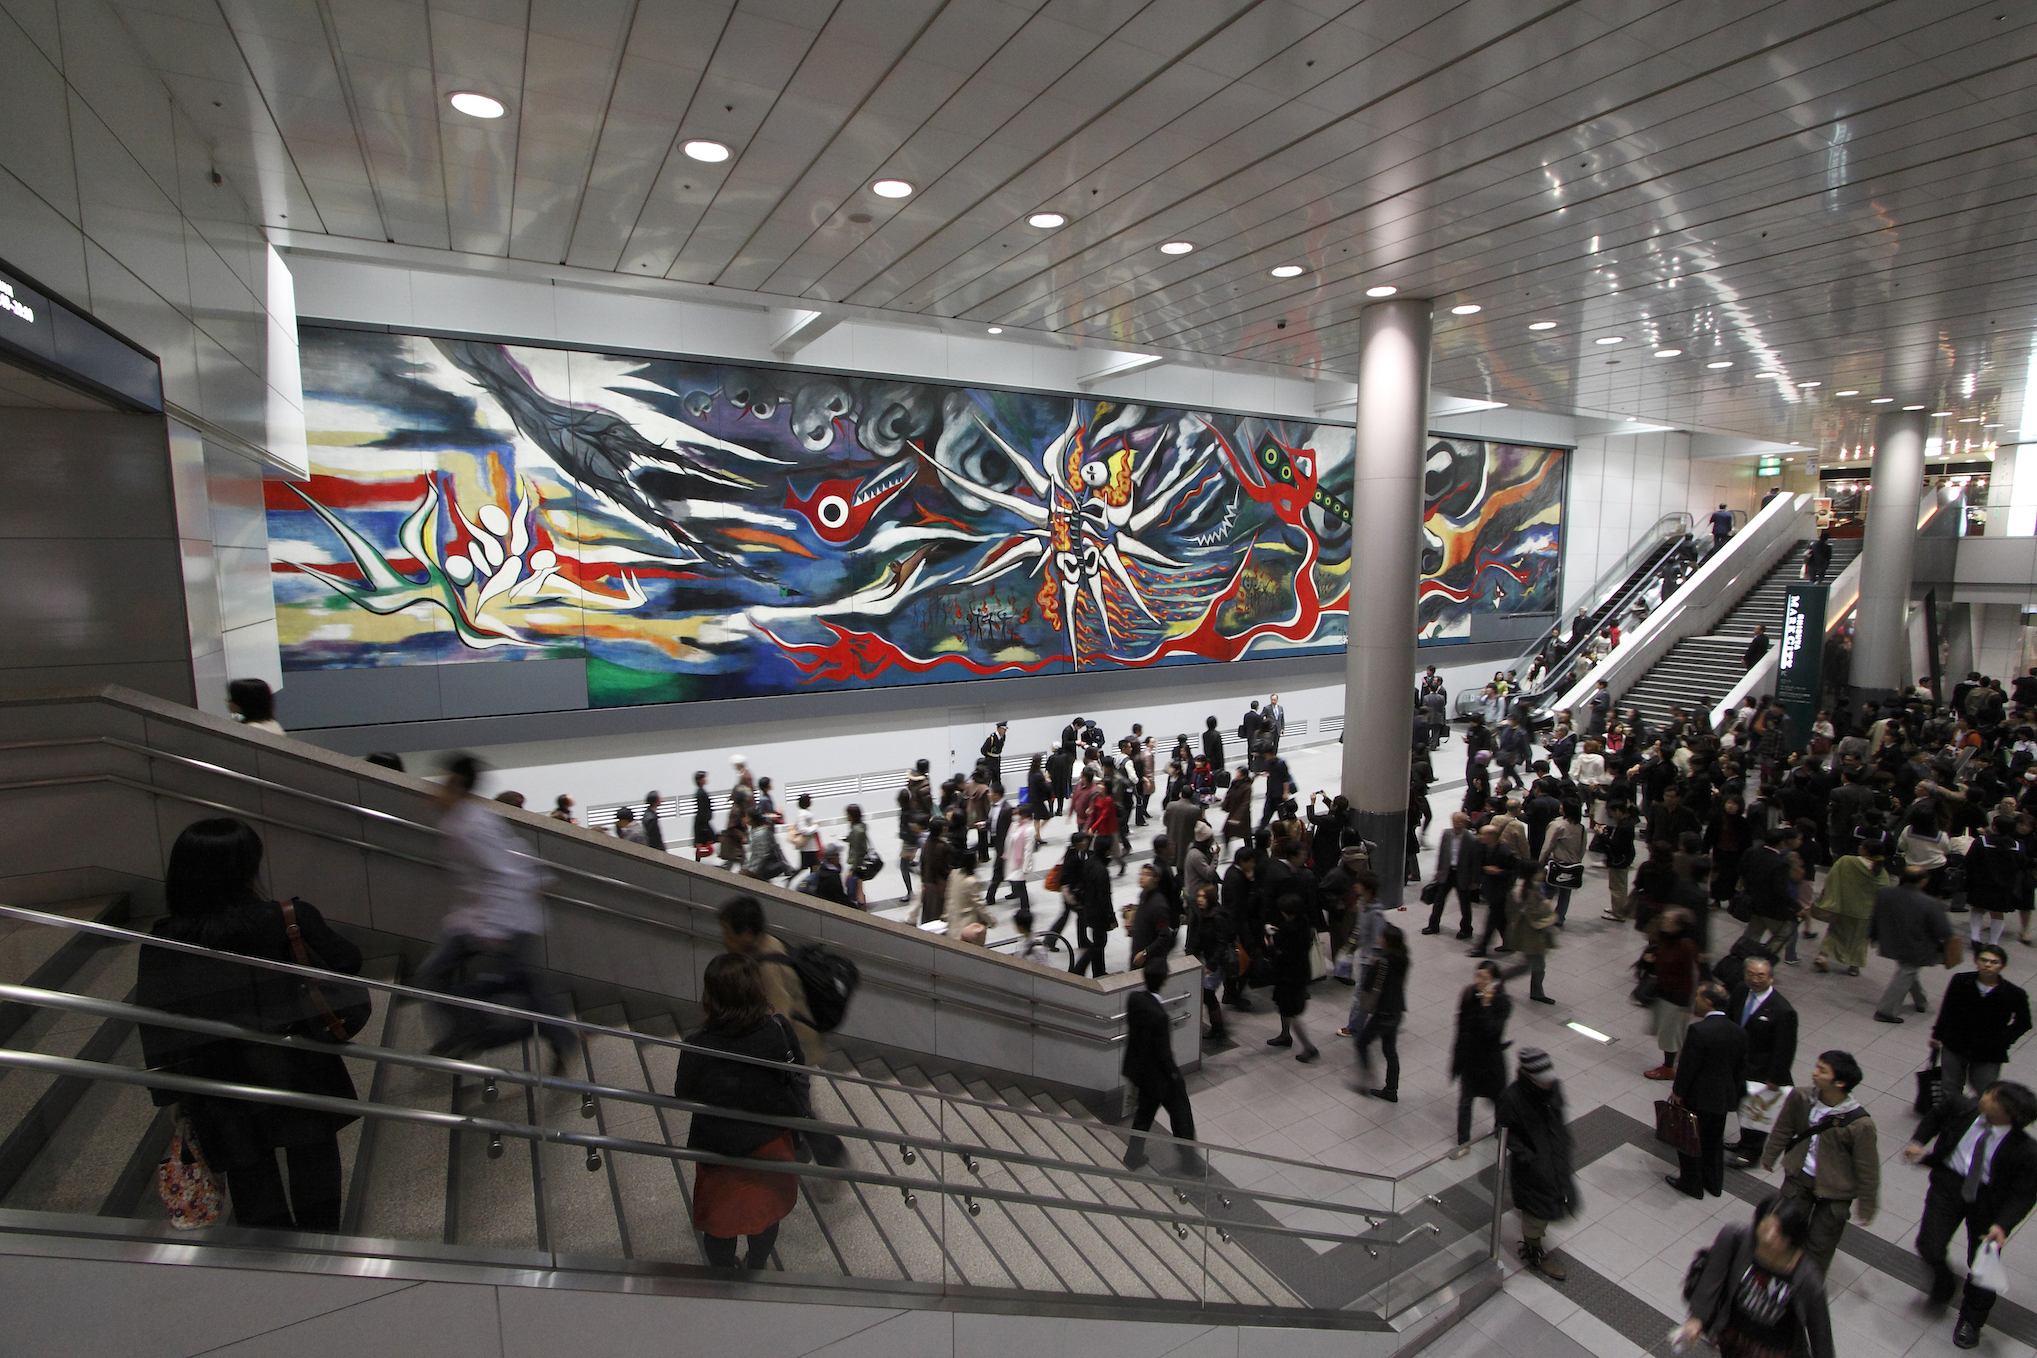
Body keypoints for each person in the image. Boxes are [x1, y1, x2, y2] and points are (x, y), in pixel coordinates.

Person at [136, 818, 361, 1230]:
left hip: (220, 1081)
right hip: (300, 1067)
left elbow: (155, 1019)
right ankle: (323, 1248)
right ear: (247, 867)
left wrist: (168, 1091)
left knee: (249, 1173)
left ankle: (272, 1258)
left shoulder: (166, 941)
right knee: (315, 1163)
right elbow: (347, 963)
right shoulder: (288, 918)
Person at [423, 754, 574, 1071]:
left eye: (441, 783)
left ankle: (485, 1033)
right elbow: (514, 851)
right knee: (439, 975)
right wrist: (540, 877)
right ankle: (473, 1031)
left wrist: (493, 927)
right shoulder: (463, 819)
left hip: (503, 920)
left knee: (519, 986)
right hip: (478, 918)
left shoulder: (471, 827)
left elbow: (505, 872)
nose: (433, 790)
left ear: (456, 785)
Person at [671, 952, 805, 1270]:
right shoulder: (776, 1030)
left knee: (720, 1224)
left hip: (720, 1151)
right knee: (766, 1213)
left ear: (711, 997)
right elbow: (796, 1069)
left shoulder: (698, 1045)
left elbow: (683, 1093)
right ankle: (756, 1263)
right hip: (770, 1144)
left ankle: (724, 1273)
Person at [717, 895, 849, 1173]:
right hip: (797, 1045)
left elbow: (779, 1018)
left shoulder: (766, 966)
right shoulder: (767, 944)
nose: (723, 938)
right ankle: (797, 1148)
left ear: (747, 933)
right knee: (793, 1106)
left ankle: (833, 1156)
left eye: (728, 932)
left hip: (795, 1049)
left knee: (799, 1108)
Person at [1905, 1081, 2037, 1348]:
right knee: (1929, 1244)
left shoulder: (2026, 1150)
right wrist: (1919, 1141)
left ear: (2009, 1111)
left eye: (1991, 1096)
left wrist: (2002, 1225)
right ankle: (1944, 1283)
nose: (1983, 1096)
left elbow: (2024, 1193)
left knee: (1982, 1265)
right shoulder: (1961, 1107)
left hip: (1989, 1201)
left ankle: (1972, 1320)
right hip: (1949, 1184)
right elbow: (1935, 1116)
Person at [1760, 1050, 1879, 1278]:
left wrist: (1867, 1204)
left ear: (1840, 1083)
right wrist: (1770, 1155)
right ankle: (1777, 1276)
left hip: (1836, 1190)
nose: (1814, 1072)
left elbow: (1867, 1167)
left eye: (1822, 1070)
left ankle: (1806, 1287)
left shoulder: (1860, 1125)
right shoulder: (1801, 1098)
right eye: (1817, 1066)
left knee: (1820, 1244)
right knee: (1786, 1230)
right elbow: (1784, 1127)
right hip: (1800, 1176)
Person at [1677, 1196, 1834, 1358]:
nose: (1768, 1238)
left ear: (1790, 1239)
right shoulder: (1736, 1238)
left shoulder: (1807, 1276)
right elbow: (1712, 1277)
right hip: (1734, 1341)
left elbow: (1821, 1336)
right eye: (1765, 1228)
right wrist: (1697, 1318)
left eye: (1778, 1234)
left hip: (1775, 1351)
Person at [1495, 1048, 1575, 1281]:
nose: (1548, 1085)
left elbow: (1558, 1116)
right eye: (1543, 1081)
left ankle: (1535, 1236)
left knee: (1555, 1200)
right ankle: (1533, 1249)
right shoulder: (1512, 1099)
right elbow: (1503, 1134)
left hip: (1554, 1159)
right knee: (1535, 1212)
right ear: (1529, 1077)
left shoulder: (1553, 1088)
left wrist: (1563, 1142)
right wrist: (1529, 1157)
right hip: (1531, 1169)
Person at [1667, 982, 1748, 1199]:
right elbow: (1740, 1068)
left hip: (1698, 1096)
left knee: (1691, 1139)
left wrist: (1678, 1092)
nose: (1695, 1002)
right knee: (1714, 1141)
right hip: (1722, 1097)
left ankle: (1691, 1183)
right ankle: (1713, 1183)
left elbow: (1688, 1067)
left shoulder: (1699, 1030)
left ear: (1709, 1002)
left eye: (1699, 999)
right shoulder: (1739, 1032)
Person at [1122, 954, 1199, 1172]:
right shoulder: (1159, 1016)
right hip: (1160, 1077)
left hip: (1140, 1071)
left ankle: (1133, 1155)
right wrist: (1175, 1076)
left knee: (1144, 1115)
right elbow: (1164, 1053)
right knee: (1181, 1114)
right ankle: (1189, 1161)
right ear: (1165, 980)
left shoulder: (1134, 999)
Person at [1934, 945, 2035, 1099]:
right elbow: (1947, 1009)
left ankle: (1977, 1118)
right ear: (1976, 961)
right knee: (1950, 1086)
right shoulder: (1961, 981)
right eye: (1983, 960)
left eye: (1994, 962)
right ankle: (1950, 1118)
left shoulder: (2014, 994)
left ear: (2003, 966)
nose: (1987, 965)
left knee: (1985, 1090)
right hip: (1956, 1042)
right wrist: (1938, 1034)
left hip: (1989, 1050)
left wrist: (2004, 1039)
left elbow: (2024, 1022)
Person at [1727, 957, 1798, 1166]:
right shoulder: (1741, 991)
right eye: (1751, 974)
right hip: (1739, 1063)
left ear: (1771, 978)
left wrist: (1775, 1077)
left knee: (1757, 1111)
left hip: (1761, 1070)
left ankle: (1751, 1152)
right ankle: (1743, 1142)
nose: (1755, 979)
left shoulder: (1783, 1010)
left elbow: (1785, 1048)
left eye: (1761, 975)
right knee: (1742, 1106)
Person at [1871, 864, 1953, 1023]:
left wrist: (1873, 936)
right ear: (1923, 882)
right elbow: (1944, 931)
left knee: (1907, 970)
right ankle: (1886, 1011)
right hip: (1917, 946)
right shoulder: (1930, 903)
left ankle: (1921, 1001)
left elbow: (1876, 916)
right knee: (1906, 972)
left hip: (1890, 941)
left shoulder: (1885, 893)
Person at [1450, 960, 1512, 1154]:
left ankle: (1501, 1130)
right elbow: (1461, 1027)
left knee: (1498, 1099)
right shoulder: (1469, 994)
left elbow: (1493, 1031)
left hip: (1490, 1061)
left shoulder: (1502, 1002)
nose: (1479, 981)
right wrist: (1457, 1059)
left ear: (1494, 980)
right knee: (1465, 1101)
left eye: (1484, 978)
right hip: (1471, 1058)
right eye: (1477, 976)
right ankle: (1463, 1142)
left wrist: (1486, 1006)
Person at [1813, 831, 1892, 977]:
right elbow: (1884, 894)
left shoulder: (1847, 861)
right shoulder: (1881, 873)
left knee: (1835, 933)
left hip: (1844, 908)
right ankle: (1854, 966)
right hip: (1865, 913)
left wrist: (1828, 898)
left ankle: (1822, 957)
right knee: (1860, 941)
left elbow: (1832, 879)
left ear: (1865, 850)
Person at [1266, 881, 1321, 1062]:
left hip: (1288, 975)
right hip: (1301, 972)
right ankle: (1285, 1034)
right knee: (1286, 1007)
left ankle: (1308, 1047)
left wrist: (1271, 943)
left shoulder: (1288, 930)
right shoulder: (1304, 923)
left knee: (1291, 1012)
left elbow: (1281, 951)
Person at [1644, 909, 1700, 1080]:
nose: (1664, 922)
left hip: (1677, 999)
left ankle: (1668, 1068)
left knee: (1670, 1034)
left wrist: (1687, 1004)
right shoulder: (1667, 939)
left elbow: (1691, 976)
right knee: (1667, 1031)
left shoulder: (1686, 946)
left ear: (1679, 926)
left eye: (1668, 920)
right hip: (1665, 992)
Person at [1356, 924, 1408, 1102]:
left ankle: (1367, 1078)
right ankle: (1391, 1090)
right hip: (1397, 1012)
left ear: (1387, 941)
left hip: (1382, 1014)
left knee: (1361, 1043)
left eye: (1382, 937)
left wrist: (1372, 965)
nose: (1379, 939)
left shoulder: (1382, 962)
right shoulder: (1404, 959)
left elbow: (1367, 985)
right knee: (1390, 1051)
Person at [1506, 865, 1557, 1003]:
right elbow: (1534, 914)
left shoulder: (1527, 887)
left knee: (1532, 965)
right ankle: (1500, 978)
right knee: (1533, 965)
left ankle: (1536, 992)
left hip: (1529, 933)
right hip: (1531, 935)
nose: (1543, 874)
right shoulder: (1529, 892)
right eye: (1540, 872)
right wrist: (1546, 905)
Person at [1425, 811, 1476, 937]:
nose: (1456, 825)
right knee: (1439, 900)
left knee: (1464, 903)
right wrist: (1438, 870)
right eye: (1454, 822)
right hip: (1447, 872)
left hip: (1462, 874)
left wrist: (1475, 880)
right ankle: (1433, 925)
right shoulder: (1446, 834)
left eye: (1459, 823)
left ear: (1465, 824)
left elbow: (1475, 862)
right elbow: (1442, 854)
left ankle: (1466, 928)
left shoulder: (1471, 839)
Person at [692, 771, 716, 860]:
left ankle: (697, 863)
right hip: (702, 823)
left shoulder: (700, 791)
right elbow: (703, 809)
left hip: (702, 822)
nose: (706, 779)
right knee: (702, 843)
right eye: (704, 778)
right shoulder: (701, 793)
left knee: (701, 843)